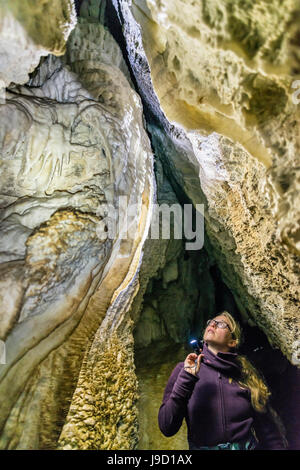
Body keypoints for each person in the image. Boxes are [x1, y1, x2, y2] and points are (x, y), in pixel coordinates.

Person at [158, 311, 286, 450]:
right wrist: (187, 378)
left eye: (221, 324)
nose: (212, 324)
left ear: (232, 341)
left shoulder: (245, 376)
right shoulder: (185, 370)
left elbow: (269, 434)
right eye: (211, 322)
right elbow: (167, 427)